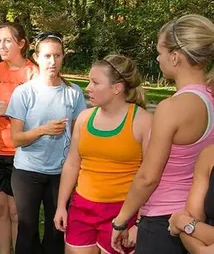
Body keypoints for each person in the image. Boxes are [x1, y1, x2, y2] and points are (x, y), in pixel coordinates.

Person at [112, 14, 214, 254]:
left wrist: (121, 220)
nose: (158, 58)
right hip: (194, 220)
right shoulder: (210, 98)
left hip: (163, 222)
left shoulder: (172, 108)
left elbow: (148, 176)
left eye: (160, 52)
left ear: (175, 57)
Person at [53, 55, 152, 254]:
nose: (88, 87)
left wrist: (139, 223)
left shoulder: (143, 121)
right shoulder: (84, 118)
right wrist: (61, 205)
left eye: (95, 82)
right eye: (89, 81)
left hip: (122, 214)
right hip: (82, 208)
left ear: (117, 88)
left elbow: (151, 176)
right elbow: (72, 163)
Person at [6, 32, 87, 254]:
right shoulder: (25, 92)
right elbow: (15, 138)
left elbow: (79, 136)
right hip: (27, 171)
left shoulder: (73, 93)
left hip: (60, 173)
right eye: (48, 56)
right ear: (37, 57)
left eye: (57, 56)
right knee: (27, 230)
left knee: (57, 230)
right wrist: (43, 130)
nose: (52, 62)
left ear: (63, 58)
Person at [0, 22, 38, 254]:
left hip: (21, 153)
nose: (2, 45)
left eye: (7, 40)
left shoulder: (34, 73)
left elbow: (41, 116)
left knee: (16, 212)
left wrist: (11, 109)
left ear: (21, 43)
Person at [168, 144, 214, 254]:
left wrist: (182, 222)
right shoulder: (209, 154)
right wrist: (200, 250)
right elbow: (189, 217)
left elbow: (183, 221)